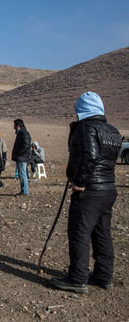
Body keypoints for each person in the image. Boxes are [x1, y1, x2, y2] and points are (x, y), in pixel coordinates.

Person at [51, 92, 122, 294]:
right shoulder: (113, 131)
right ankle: (103, 275)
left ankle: (78, 278)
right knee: (102, 234)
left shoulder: (86, 128)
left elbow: (90, 157)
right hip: (108, 189)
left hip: (89, 192)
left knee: (79, 233)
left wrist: (80, 182)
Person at [12, 118, 32, 195]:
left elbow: (26, 145)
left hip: (22, 157)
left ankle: (25, 191)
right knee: (21, 174)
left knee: (22, 174)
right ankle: (23, 191)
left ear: (18, 126)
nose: (13, 127)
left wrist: (19, 153)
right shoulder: (22, 133)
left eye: (14, 126)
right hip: (21, 157)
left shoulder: (24, 134)